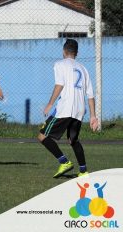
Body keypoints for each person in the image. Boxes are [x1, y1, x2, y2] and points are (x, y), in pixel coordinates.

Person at [38, 39, 98, 178]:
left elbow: (59, 84)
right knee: (73, 140)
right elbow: (90, 95)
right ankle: (83, 171)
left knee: (42, 136)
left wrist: (50, 104)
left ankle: (64, 162)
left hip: (65, 109)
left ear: (64, 51)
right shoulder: (83, 69)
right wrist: (93, 116)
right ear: (76, 53)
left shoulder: (60, 64)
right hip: (79, 110)